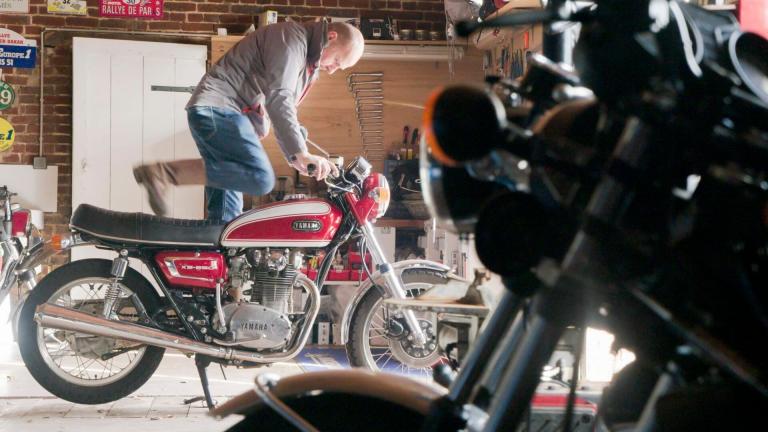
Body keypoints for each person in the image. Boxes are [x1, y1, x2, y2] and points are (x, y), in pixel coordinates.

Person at [133, 20, 365, 222]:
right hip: (221, 109)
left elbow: (285, 111)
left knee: (227, 217)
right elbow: (279, 97)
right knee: (260, 178)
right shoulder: (291, 39)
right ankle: (162, 174)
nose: (332, 70)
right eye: (337, 61)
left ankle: (216, 257)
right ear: (331, 37)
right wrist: (299, 152)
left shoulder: (307, 62)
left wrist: (299, 155)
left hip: (221, 113)